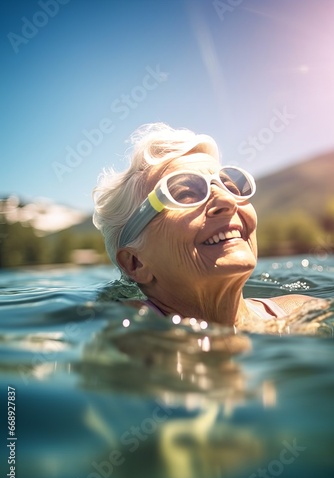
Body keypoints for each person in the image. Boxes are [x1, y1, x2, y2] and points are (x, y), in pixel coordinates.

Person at [93, 123, 312, 329]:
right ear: (135, 263)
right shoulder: (131, 331)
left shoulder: (302, 312)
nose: (227, 201)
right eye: (186, 193)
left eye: (229, 185)